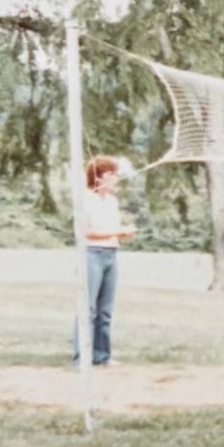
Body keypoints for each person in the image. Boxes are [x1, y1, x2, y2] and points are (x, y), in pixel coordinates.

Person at [73, 156, 135, 366]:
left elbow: (109, 231)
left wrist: (119, 235)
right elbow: (85, 232)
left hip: (111, 255)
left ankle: (102, 355)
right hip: (91, 254)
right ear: (101, 176)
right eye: (112, 175)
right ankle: (82, 356)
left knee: (105, 311)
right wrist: (119, 232)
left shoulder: (112, 201)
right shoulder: (85, 198)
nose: (115, 180)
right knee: (87, 308)